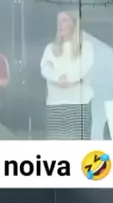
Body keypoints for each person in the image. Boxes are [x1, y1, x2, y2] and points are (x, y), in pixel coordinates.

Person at [40, 11, 93, 140]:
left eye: (64, 20)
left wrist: (66, 77)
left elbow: (82, 68)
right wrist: (58, 77)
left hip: (79, 105)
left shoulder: (85, 47)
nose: (60, 25)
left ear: (74, 24)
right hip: (55, 105)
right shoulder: (50, 48)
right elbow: (45, 68)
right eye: (58, 21)